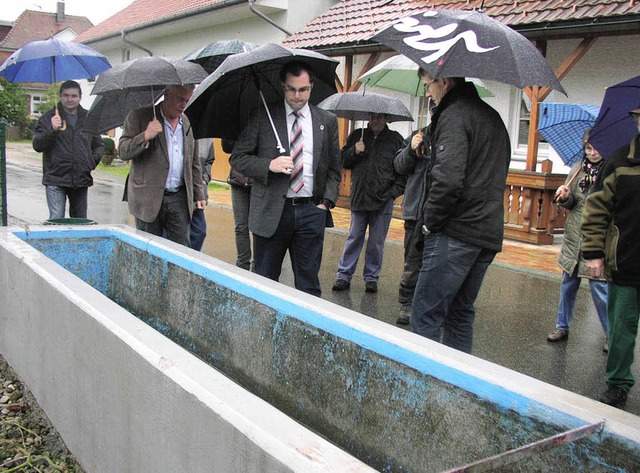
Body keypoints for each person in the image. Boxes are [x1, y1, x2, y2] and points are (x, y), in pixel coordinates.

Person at [410, 70, 511, 354]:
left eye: (428, 85)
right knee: (460, 314)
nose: (427, 92)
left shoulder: (455, 116)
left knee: (426, 315)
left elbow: (447, 180)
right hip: (486, 232)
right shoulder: (492, 117)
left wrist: (431, 224)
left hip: (455, 232)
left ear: (445, 81)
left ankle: (423, 389)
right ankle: (457, 391)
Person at [230, 61, 341, 297]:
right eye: (292, 89)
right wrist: (269, 164)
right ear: (283, 87)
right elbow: (238, 159)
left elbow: (334, 169)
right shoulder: (264, 116)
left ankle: (307, 330)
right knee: (265, 282)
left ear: (311, 87)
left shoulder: (327, 121)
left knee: (309, 285)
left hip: (311, 211)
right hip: (271, 213)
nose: (297, 95)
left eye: (303, 89)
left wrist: (325, 204)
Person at [581, 109, 640, 408]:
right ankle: (618, 383)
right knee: (621, 331)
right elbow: (595, 210)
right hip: (627, 261)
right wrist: (593, 253)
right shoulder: (618, 161)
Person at [118, 84, 206, 247]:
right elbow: (123, 151)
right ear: (166, 95)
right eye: (180, 99)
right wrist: (145, 135)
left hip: (178, 198)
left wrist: (199, 193)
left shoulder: (187, 122)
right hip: (148, 199)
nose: (183, 105)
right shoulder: (139, 116)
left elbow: (193, 162)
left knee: (181, 251)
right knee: (148, 250)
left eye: (187, 100)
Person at [547, 131, 608, 349]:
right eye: (588, 148)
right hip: (574, 238)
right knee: (567, 285)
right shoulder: (578, 169)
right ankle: (561, 326)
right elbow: (571, 202)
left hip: (596, 240)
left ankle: (611, 335)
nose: (592, 153)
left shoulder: (610, 172)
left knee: (600, 290)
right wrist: (564, 196)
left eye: (596, 148)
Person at [332, 113, 405, 294]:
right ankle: (344, 275)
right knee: (354, 238)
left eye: (380, 117)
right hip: (359, 197)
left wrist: (393, 194)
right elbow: (343, 161)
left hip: (383, 200)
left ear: (386, 119)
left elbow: (403, 171)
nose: (376, 121)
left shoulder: (395, 140)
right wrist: (354, 151)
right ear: (369, 118)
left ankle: (371, 278)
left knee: (376, 243)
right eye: (373, 117)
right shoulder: (358, 135)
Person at [33, 80, 104, 219]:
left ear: (80, 97)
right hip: (55, 178)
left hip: (81, 179)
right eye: (66, 95)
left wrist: (90, 162)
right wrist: (52, 130)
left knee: (79, 222)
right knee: (56, 220)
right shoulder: (49, 117)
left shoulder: (88, 118)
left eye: (74, 96)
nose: (70, 99)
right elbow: (37, 145)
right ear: (60, 96)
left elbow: (99, 144)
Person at [394, 100, 436, 325]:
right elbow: (399, 166)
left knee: (435, 264)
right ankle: (406, 303)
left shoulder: (451, 138)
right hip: (414, 211)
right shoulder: (417, 135)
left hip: (438, 212)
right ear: (429, 111)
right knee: (412, 261)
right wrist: (411, 150)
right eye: (434, 109)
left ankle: (428, 306)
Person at [226, 138, 254, 271]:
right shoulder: (236, 122)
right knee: (241, 226)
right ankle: (242, 266)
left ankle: (257, 267)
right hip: (238, 178)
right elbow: (227, 148)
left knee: (259, 227)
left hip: (260, 179)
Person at [190, 138, 215, 251]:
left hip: (198, 195)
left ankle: (189, 263)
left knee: (199, 232)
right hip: (179, 194)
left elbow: (209, 161)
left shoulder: (208, 139)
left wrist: (204, 179)